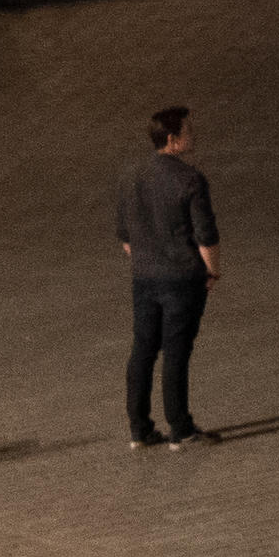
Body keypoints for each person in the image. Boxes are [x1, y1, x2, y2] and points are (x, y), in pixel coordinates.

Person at [118, 104, 221, 448]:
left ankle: (140, 429)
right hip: (181, 279)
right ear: (174, 140)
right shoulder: (190, 179)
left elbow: (125, 236)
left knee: (143, 349)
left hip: (144, 278)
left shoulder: (131, 175)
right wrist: (211, 271)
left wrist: (148, 259)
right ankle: (181, 428)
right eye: (189, 131)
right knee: (176, 352)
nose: (194, 136)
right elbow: (206, 235)